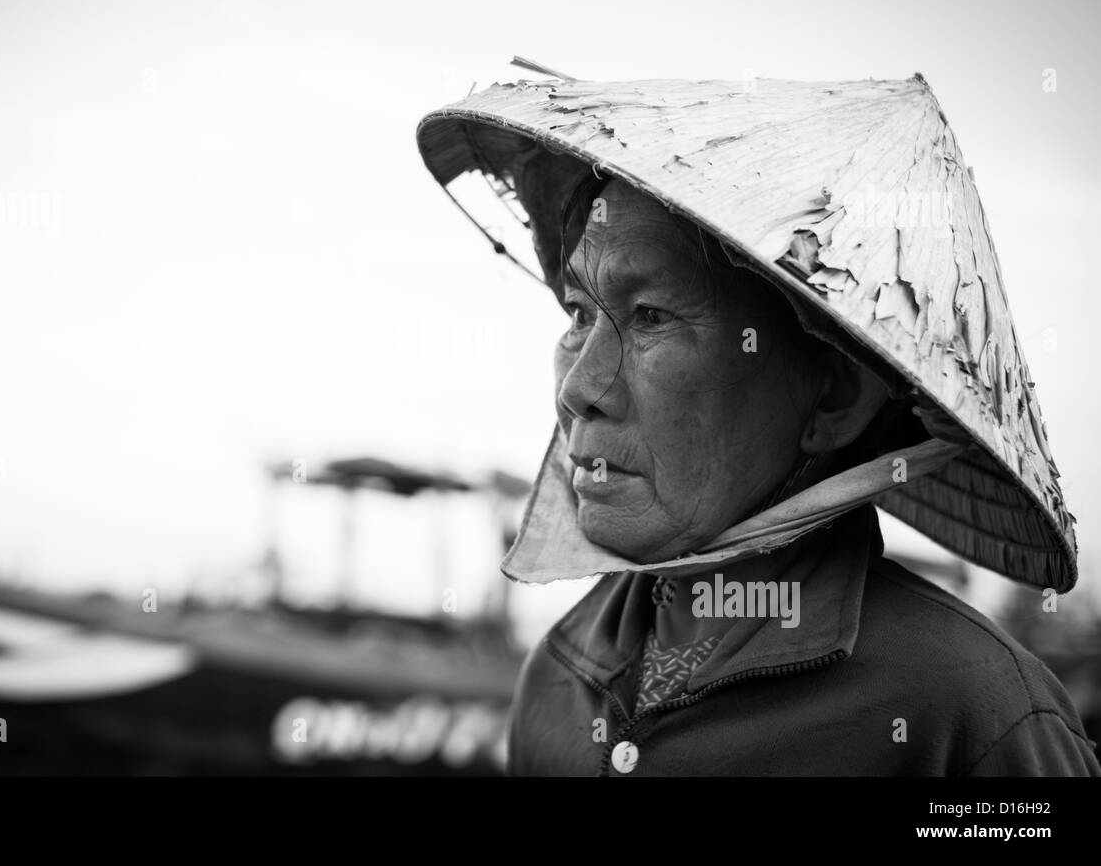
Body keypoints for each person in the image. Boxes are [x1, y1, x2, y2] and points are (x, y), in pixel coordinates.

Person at [415, 71, 1100, 775]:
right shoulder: (558, 677)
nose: (580, 389)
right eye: (579, 315)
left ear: (833, 396)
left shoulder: (968, 719)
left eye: (651, 317)